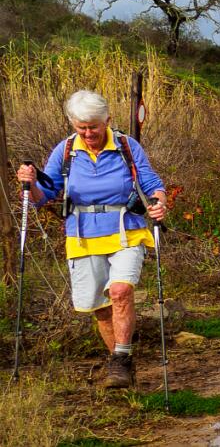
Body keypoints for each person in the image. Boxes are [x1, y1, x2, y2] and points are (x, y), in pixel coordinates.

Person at [13, 90, 168, 389]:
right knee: (100, 306)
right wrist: (30, 185)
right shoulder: (66, 150)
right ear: (73, 124)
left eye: (93, 127)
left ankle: (120, 360)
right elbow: (45, 196)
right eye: (81, 127)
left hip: (126, 229)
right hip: (82, 234)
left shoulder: (126, 146)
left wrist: (159, 202)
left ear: (107, 120)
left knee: (120, 291)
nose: (88, 133)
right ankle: (121, 364)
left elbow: (152, 183)